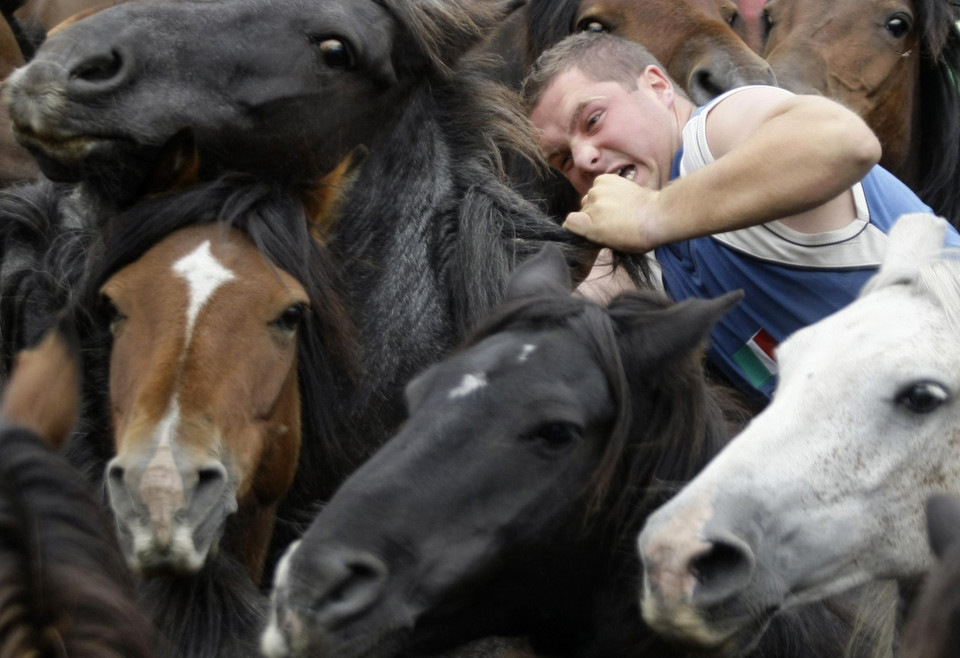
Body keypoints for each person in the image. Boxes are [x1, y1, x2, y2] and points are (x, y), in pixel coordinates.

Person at [522, 31, 960, 404]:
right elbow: (542, 346)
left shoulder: (715, 131)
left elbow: (844, 142)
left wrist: (651, 215)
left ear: (656, 86)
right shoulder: (643, 252)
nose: (584, 157)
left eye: (593, 120)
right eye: (562, 159)